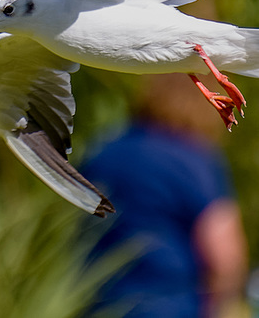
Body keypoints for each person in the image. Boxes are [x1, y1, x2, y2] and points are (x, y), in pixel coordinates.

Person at [81, 73, 248, 318]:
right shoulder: (192, 160)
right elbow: (225, 257)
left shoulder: (101, 154)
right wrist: (217, 308)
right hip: (171, 306)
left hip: (102, 306)